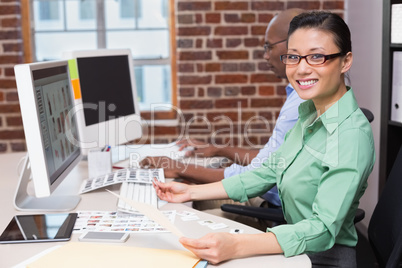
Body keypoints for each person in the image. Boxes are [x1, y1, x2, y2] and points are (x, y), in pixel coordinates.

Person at [153, 11, 375, 267]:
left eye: (317, 56)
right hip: (293, 248)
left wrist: (236, 245)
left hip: (322, 259)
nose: (302, 68)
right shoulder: (310, 114)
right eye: (293, 56)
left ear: (345, 61)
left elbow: (323, 228)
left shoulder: (351, 135)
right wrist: (190, 191)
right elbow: (266, 171)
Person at [141, 9, 305, 224]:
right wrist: (220, 150)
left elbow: (258, 174)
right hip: (263, 196)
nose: (265, 55)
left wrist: (180, 168)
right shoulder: (296, 95)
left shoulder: (301, 104)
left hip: (274, 210)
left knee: (176, 219)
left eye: (269, 46)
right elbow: (270, 160)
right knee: (184, 195)